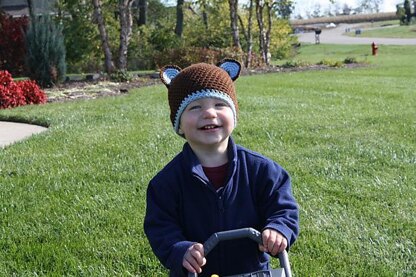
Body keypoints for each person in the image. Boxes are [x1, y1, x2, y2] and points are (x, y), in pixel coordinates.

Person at [144, 59, 299, 277]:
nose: (209, 113)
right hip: (197, 273)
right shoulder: (167, 183)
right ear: (179, 124)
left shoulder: (262, 171)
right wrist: (180, 250)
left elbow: (283, 208)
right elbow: (160, 227)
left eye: (219, 105)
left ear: (234, 116)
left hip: (253, 272)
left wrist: (278, 228)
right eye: (195, 107)